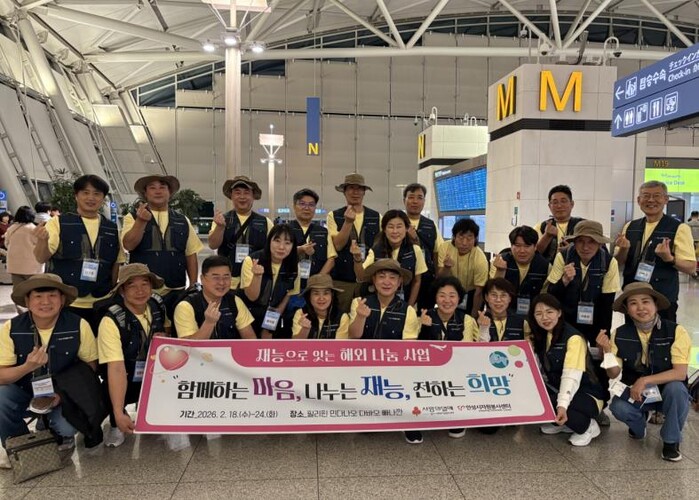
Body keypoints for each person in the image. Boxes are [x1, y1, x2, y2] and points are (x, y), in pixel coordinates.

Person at [0, 274, 98, 454]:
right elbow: (2, 376)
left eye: (52, 295)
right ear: (27, 301)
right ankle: (17, 444)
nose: (45, 302)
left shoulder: (79, 325)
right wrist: (27, 367)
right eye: (38, 296)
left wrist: (62, 393)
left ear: (62, 300)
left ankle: (55, 430)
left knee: (67, 428)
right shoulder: (11, 328)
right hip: (23, 389)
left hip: (63, 393)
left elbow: (90, 367)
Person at [596, 282, 691, 462]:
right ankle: (639, 426)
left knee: (677, 389)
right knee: (617, 407)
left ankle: (671, 441)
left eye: (646, 301)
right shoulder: (619, 333)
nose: (640, 308)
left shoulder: (676, 331)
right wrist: (607, 353)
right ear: (627, 309)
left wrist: (644, 380)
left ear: (656, 305)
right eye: (633, 303)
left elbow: (680, 373)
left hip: (667, 393)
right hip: (637, 394)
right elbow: (613, 374)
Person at [34, 175, 125, 333]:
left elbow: (116, 263)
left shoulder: (111, 227)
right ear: (76, 195)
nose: (91, 198)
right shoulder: (59, 223)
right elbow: (41, 258)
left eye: (96, 194)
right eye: (85, 193)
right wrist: (42, 241)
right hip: (67, 302)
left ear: (103, 198)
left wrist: (111, 293)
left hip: (101, 302)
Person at [97, 264, 169, 448]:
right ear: (122, 290)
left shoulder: (157, 305)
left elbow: (168, 331)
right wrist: (118, 412)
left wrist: (164, 339)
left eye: (145, 284)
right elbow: (116, 368)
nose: (140, 291)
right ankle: (116, 422)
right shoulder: (111, 320)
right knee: (106, 394)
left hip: (153, 374)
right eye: (132, 286)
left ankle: (152, 411)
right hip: (125, 375)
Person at [122, 174, 203, 316]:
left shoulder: (183, 220)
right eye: (152, 188)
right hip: (145, 291)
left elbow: (190, 254)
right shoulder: (133, 217)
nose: (158, 191)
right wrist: (140, 222)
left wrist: (192, 285)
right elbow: (128, 245)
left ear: (170, 192)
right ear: (145, 193)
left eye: (162, 187)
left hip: (176, 288)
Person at [530, 294, 605, 447]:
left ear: (559, 312)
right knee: (534, 397)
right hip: (559, 389)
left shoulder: (573, 338)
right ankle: (564, 423)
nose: (544, 317)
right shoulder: (543, 335)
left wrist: (562, 405)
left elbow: (571, 376)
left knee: (548, 402)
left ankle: (587, 427)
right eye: (539, 313)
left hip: (588, 395)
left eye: (549, 312)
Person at [615, 181, 695, 322]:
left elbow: (691, 267)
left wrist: (669, 258)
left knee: (663, 334)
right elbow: (618, 262)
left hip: (662, 298)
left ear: (666, 199)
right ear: (639, 200)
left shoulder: (679, 228)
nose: (651, 200)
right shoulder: (630, 226)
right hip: (633, 295)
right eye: (646, 196)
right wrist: (623, 249)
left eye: (657, 196)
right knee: (632, 334)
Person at [416, 276, 482, 442]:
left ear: (459, 298)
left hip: (457, 373)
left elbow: (474, 350)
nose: (447, 300)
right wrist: (424, 328)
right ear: (435, 297)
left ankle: (457, 415)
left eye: (452, 296)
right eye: (442, 295)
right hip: (427, 373)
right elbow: (415, 352)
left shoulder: (467, 320)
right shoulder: (424, 316)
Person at [546, 220, 621, 345]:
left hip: (595, 318)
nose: (585, 247)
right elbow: (551, 295)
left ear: (599, 243)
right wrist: (564, 280)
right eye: (580, 241)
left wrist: (604, 335)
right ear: (574, 242)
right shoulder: (563, 257)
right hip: (566, 318)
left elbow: (607, 304)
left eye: (591, 241)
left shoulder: (609, 262)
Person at [208, 176, 274, 289]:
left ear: (253, 196)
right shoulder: (222, 220)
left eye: (246, 193)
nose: (242, 197)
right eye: (237, 193)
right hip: (227, 283)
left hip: (254, 281)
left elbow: (273, 251)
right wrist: (219, 227)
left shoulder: (265, 222)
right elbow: (213, 245)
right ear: (231, 196)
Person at [328, 173, 381, 313]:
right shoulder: (333, 216)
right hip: (342, 281)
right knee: (341, 318)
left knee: (367, 318)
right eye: (351, 188)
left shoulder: (377, 217)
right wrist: (347, 222)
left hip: (368, 282)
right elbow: (338, 245)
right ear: (344, 191)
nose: (355, 192)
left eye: (359, 188)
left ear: (364, 192)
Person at [354, 209, 428, 308]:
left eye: (399, 227)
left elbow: (417, 281)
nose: (395, 231)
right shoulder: (375, 250)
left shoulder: (415, 250)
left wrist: (408, 307)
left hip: (404, 301)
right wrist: (357, 259)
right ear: (384, 229)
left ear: (406, 228)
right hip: (377, 303)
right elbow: (361, 277)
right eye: (390, 227)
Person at [174, 255, 256, 340]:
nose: (221, 282)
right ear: (202, 279)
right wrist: (209, 323)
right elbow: (188, 346)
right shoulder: (186, 306)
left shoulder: (234, 301)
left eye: (226, 277)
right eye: (216, 278)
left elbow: (250, 339)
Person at [239, 224, 300, 338]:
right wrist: (257, 276)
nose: (281, 247)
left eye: (287, 243)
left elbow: (289, 293)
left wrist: (272, 321)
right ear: (269, 241)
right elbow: (251, 297)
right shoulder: (251, 261)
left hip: (273, 314)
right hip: (248, 314)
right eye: (277, 241)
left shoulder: (294, 266)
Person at [348, 259, 420, 341]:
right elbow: (353, 336)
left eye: (392, 277)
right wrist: (360, 317)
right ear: (374, 279)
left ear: (399, 282)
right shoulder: (359, 303)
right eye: (381, 277)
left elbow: (409, 345)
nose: (386, 282)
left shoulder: (408, 311)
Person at [491, 226, 549, 315]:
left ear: (535, 247)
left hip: (532, 313)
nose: (522, 250)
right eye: (517, 246)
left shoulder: (545, 266)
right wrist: (500, 271)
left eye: (527, 246)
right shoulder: (498, 261)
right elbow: (492, 293)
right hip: (503, 311)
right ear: (511, 246)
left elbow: (544, 297)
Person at [437, 218, 488, 317]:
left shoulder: (480, 259)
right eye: (461, 237)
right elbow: (440, 278)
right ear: (454, 237)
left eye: (469, 238)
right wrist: (446, 267)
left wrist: (474, 316)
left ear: (475, 239)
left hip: (471, 294)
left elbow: (479, 292)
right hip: (449, 291)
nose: (464, 243)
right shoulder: (445, 247)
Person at [403, 183, 443, 310]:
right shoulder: (397, 223)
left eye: (419, 198)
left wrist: (437, 278)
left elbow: (437, 252)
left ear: (424, 201)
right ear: (404, 200)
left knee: (425, 315)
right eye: (411, 197)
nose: (415, 201)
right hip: (403, 279)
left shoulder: (431, 225)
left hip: (426, 280)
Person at [288, 188, 336, 290]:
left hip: (316, 287)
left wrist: (317, 280)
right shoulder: (284, 230)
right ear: (294, 206)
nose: (306, 208)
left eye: (311, 205)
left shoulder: (323, 232)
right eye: (302, 204)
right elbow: (276, 254)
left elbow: (331, 259)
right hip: (289, 285)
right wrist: (300, 250)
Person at [535, 185, 584, 263]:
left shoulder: (583, 225)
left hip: (575, 268)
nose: (559, 206)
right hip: (548, 269)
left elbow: (596, 249)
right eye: (555, 202)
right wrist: (547, 236)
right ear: (549, 206)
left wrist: (572, 249)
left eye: (563, 201)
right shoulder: (541, 227)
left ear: (572, 204)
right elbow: (533, 254)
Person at [291, 274, 349, 339]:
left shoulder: (342, 317)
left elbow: (340, 344)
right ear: (309, 296)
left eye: (326, 293)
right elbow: (295, 344)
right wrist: (305, 329)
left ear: (332, 295)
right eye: (316, 294)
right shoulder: (301, 313)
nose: (321, 298)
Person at [477, 278, 531, 343]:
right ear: (486, 297)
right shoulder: (477, 322)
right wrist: (483, 328)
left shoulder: (522, 323)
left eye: (503, 295)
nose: (498, 300)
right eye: (494, 295)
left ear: (510, 298)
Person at [4, 206, 43, 290]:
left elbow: (6, 244)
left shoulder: (11, 228)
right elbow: (40, 245)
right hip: (32, 266)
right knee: (33, 289)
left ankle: (19, 299)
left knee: (18, 290)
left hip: (14, 264)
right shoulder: (33, 229)